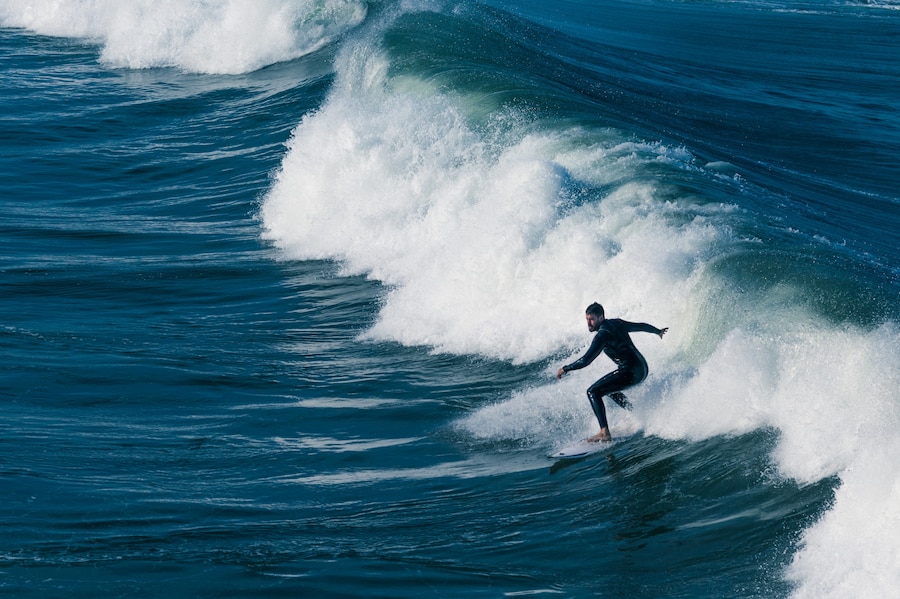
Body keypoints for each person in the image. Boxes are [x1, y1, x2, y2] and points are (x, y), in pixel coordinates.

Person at [556, 302, 667, 443]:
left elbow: (585, 361)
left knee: (593, 392)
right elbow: (640, 326)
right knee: (608, 389)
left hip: (631, 372)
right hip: (642, 368)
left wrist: (565, 368)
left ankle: (604, 432)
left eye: (592, 319)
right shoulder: (616, 323)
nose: (589, 323)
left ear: (601, 317)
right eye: (587, 319)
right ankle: (635, 412)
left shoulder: (602, 335)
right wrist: (657, 331)